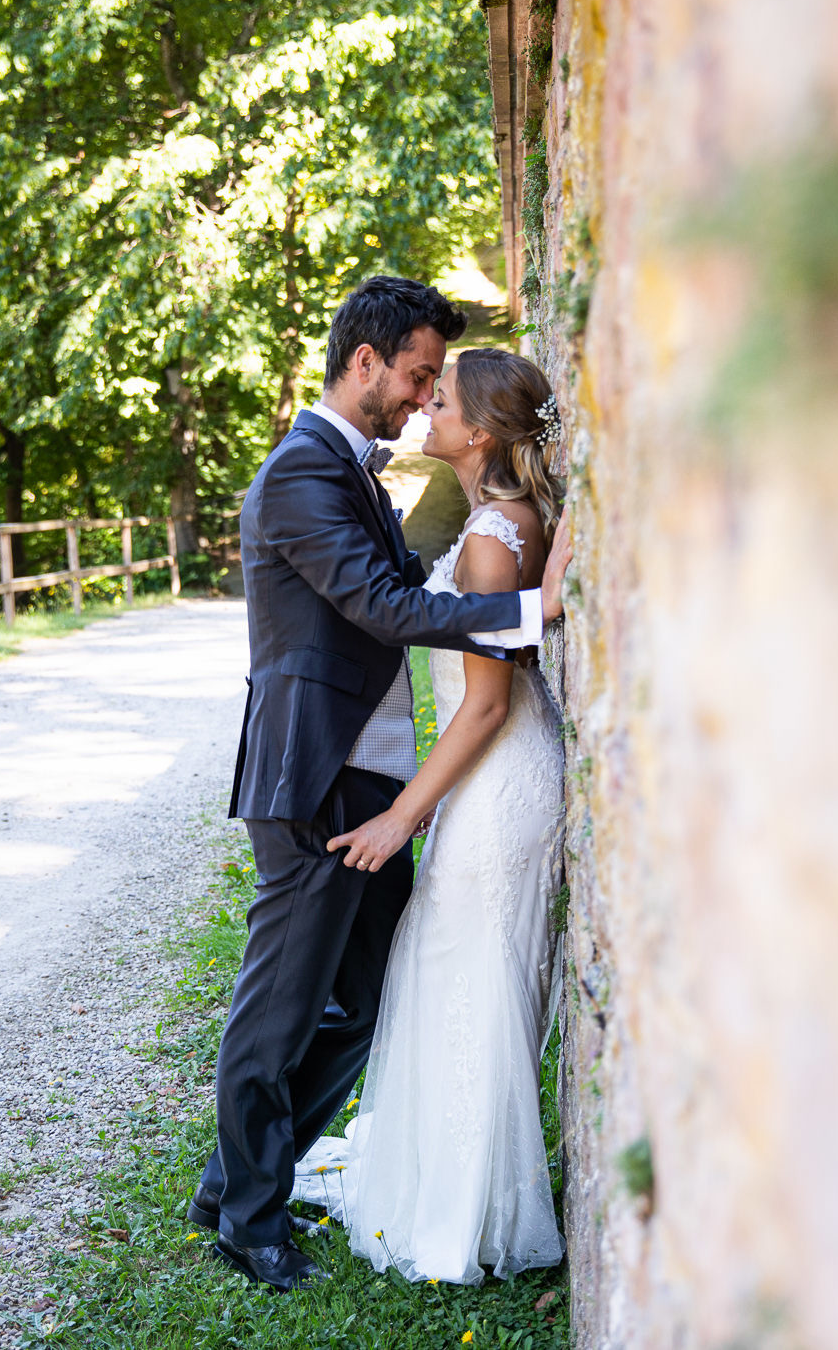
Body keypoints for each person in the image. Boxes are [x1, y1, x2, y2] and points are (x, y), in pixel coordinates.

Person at [190, 277, 572, 1291]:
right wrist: (533, 613)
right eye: (414, 375)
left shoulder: (354, 471)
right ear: (364, 362)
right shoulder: (299, 473)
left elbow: (408, 586)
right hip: (314, 781)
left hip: (376, 777)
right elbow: (384, 607)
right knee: (279, 1013)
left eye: (432, 383)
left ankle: (234, 1178)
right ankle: (248, 1221)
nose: (420, 395)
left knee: (365, 1004)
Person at [291, 347, 567, 1284]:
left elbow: (486, 704)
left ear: (478, 431)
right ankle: (460, 1184)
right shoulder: (505, 521)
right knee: (463, 974)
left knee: (468, 981)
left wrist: (401, 817)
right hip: (496, 773)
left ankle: (462, 1212)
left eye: (439, 400)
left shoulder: (491, 535)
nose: (424, 408)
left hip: (496, 775)